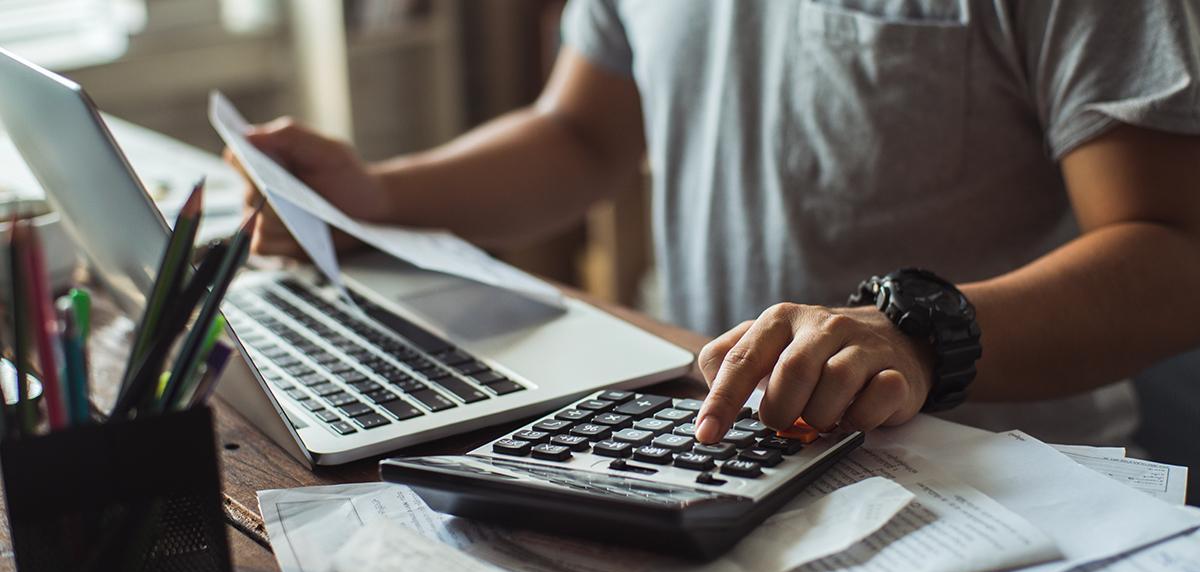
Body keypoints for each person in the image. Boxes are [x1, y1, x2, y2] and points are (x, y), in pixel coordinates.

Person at [231, 0, 1200, 448]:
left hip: (991, 486)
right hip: (716, 444)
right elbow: (581, 135)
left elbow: (1174, 251)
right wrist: (380, 197)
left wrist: (912, 330)